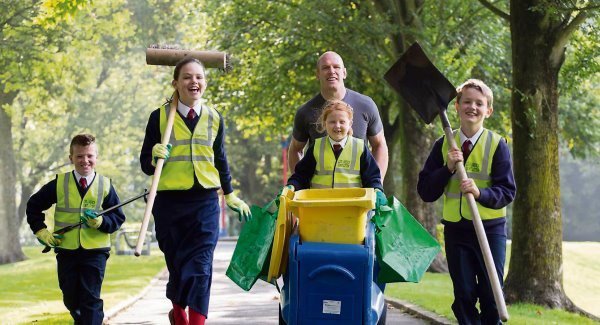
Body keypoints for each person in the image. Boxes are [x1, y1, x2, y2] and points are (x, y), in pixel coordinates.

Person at [140, 57, 251, 325]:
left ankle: (197, 321)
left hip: (204, 202)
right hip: (168, 204)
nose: (194, 82)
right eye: (187, 77)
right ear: (175, 83)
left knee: (200, 267)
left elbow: (220, 159)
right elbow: (145, 164)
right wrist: (154, 154)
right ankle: (178, 314)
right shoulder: (159, 117)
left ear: (205, 82)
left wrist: (230, 193)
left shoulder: (214, 117)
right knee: (178, 266)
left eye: (199, 77)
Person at [417, 79, 516, 325]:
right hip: (456, 231)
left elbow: (507, 191)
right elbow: (426, 191)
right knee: (464, 294)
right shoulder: (442, 145)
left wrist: (481, 193)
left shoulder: (498, 145)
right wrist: (447, 168)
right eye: (467, 102)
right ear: (457, 107)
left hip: (490, 231)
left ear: (488, 111)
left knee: (491, 295)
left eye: (479, 103)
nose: (473, 107)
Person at [26, 134, 126, 325]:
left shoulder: (105, 185)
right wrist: (41, 230)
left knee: (90, 298)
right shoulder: (59, 183)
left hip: (95, 252)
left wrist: (101, 222)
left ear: (96, 157)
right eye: (80, 156)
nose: (85, 161)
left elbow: (118, 218)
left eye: (89, 156)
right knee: (70, 297)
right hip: (66, 250)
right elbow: (33, 205)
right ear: (70, 158)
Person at [288, 51, 389, 180]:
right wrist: (300, 186)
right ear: (317, 74)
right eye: (325, 68)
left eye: (336, 67)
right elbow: (295, 149)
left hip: (359, 195)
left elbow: (379, 144)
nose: (331, 71)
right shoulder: (305, 111)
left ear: (344, 72)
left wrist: (376, 185)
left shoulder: (366, 105)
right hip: (320, 195)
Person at [286, 100, 386, 206]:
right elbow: (301, 175)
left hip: (352, 210)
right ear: (325, 124)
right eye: (332, 122)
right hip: (320, 208)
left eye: (342, 122)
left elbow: (372, 177)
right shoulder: (316, 147)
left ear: (350, 124)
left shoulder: (360, 148)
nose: (337, 126)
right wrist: (291, 186)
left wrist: (377, 190)